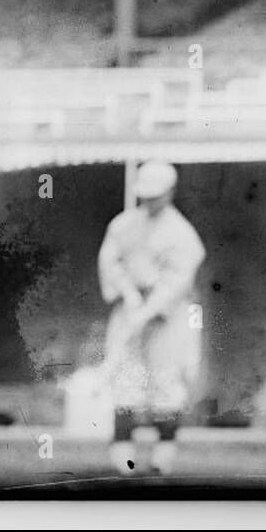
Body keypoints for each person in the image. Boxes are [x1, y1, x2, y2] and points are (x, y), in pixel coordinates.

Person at [98, 161, 206, 476]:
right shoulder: (123, 225)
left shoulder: (182, 233)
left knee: (166, 379)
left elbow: (177, 281)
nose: (149, 201)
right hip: (130, 307)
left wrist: (148, 310)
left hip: (167, 314)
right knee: (126, 378)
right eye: (144, 195)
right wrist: (130, 296)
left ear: (170, 193)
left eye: (155, 195)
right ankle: (123, 453)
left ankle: (163, 455)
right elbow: (111, 263)